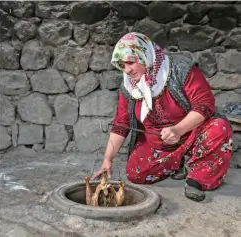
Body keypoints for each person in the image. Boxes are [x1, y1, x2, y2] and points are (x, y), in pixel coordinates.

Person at [92, 32, 233, 202]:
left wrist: (178, 130)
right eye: (122, 65)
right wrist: (107, 159)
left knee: (219, 128)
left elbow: (205, 104)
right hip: (159, 142)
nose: (127, 70)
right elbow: (121, 124)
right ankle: (177, 163)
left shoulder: (180, 69)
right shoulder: (129, 86)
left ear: (145, 55)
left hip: (191, 133)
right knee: (136, 174)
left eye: (130, 62)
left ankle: (197, 179)